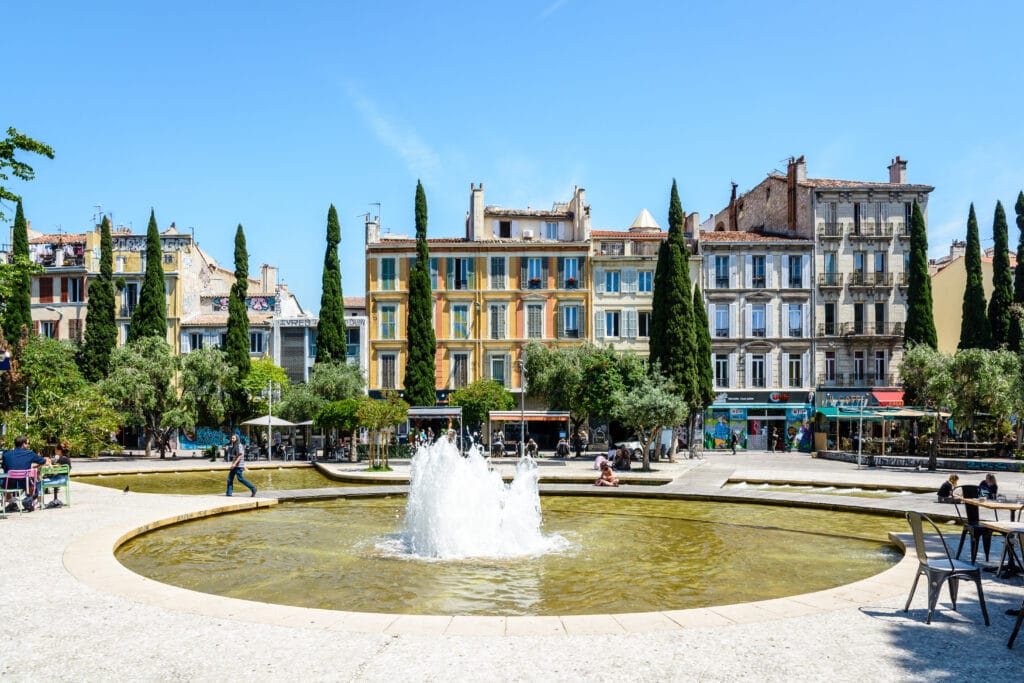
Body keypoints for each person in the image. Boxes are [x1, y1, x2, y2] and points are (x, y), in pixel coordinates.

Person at [2, 435, 50, 511]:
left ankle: (11, 502)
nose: (28, 445)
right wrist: (37, 465)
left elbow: (5, 469)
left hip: (9, 483)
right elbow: (44, 461)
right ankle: (29, 501)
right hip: (24, 483)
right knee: (32, 484)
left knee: (2, 482)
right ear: (24, 444)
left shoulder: (6, 454)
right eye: (28, 443)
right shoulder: (30, 453)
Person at [41, 443, 72, 508]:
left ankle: (40, 503)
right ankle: (53, 499)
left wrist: (49, 465)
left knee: (39, 483)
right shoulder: (66, 459)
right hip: (64, 479)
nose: (54, 451)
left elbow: (54, 471)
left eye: (55, 449)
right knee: (42, 481)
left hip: (59, 480)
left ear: (59, 451)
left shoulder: (62, 459)